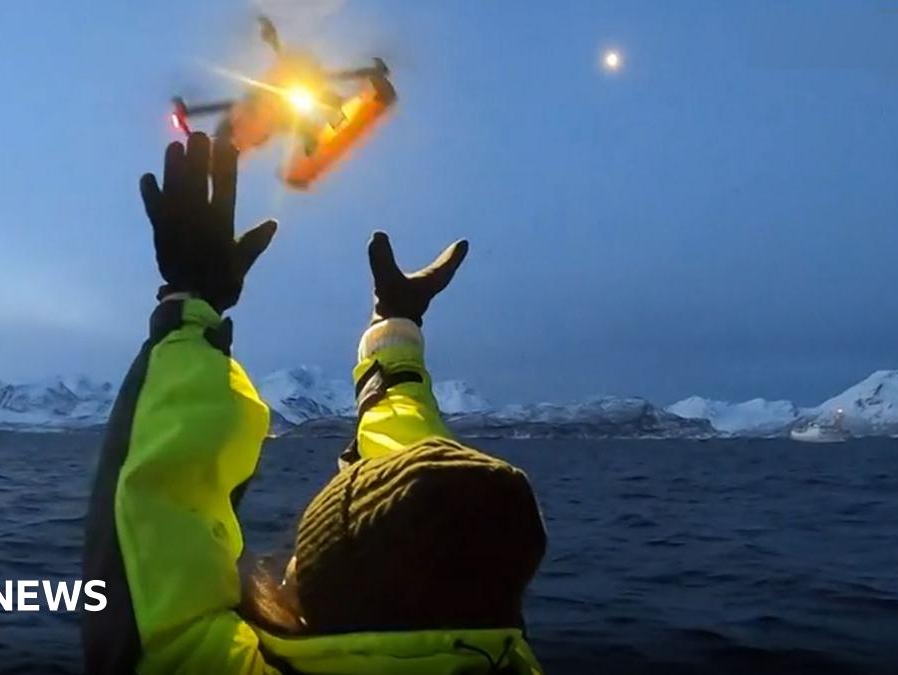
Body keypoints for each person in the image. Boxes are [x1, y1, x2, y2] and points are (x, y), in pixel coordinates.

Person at [82, 131, 548, 674]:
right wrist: (395, 332)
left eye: (306, 557)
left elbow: (152, 532)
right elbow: (430, 510)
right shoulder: (505, 655)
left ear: (337, 590)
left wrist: (191, 301)